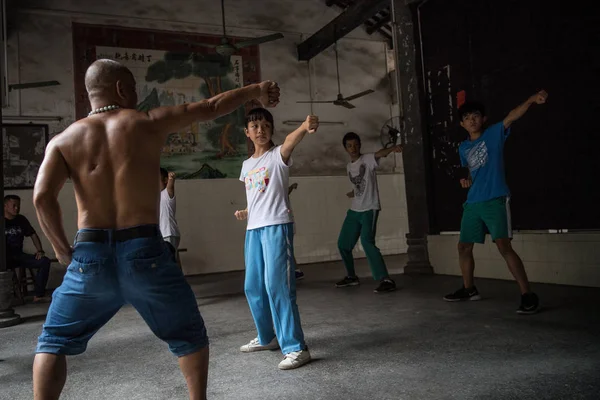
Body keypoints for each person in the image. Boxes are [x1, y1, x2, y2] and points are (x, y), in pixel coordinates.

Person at [31, 58, 280, 400]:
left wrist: (60, 249)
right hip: (143, 249)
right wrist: (255, 90)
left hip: (89, 254)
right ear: (121, 88)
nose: (136, 93)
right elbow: (210, 107)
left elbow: (42, 198)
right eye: (133, 86)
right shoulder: (146, 122)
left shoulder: (63, 141)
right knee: (188, 333)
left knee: (53, 341)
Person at [443, 90, 548, 315]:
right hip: (473, 203)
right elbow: (469, 172)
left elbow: (512, 115)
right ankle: (469, 289)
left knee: (503, 246)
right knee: (463, 246)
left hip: (495, 199)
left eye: (476, 116)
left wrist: (530, 99)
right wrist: (465, 179)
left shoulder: (493, 134)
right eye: (467, 117)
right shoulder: (463, 148)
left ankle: (527, 295)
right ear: (462, 124)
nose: (472, 120)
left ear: (484, 119)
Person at [234, 108, 318, 370]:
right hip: (253, 230)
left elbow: (290, 142)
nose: (260, 130)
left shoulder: (277, 155)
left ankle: (296, 347)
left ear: (271, 129)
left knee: (277, 286)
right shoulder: (247, 165)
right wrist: (246, 211)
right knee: (253, 287)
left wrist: (304, 128)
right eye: (254, 126)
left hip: (276, 227)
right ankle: (268, 337)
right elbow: (258, 195)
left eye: (265, 125)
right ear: (247, 132)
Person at [335, 132, 403, 293]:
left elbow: (380, 153)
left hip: (369, 209)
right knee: (343, 244)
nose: (353, 148)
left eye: (356, 145)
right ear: (346, 148)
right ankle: (351, 277)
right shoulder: (349, 166)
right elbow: (358, 185)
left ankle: (386, 279)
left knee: (367, 242)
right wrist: (353, 193)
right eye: (350, 146)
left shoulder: (368, 159)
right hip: (355, 209)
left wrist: (393, 148)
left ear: (360, 145)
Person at [4, 194, 52, 302]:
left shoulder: (21, 219)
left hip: (19, 255)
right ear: (5, 206)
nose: (17, 208)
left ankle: (38, 295)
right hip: (4, 258)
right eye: (14, 205)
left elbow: (33, 234)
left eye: (18, 206)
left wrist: (40, 250)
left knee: (44, 262)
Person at [160, 168, 180, 258]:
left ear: (165, 180)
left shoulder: (166, 193)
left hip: (168, 233)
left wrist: (171, 178)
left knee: (169, 259)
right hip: (162, 234)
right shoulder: (156, 195)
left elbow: (170, 186)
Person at [288, 182, 304, 280]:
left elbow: (285, 192)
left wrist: (291, 187)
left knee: (287, 248)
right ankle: (295, 270)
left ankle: (296, 270)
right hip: (287, 222)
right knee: (287, 248)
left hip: (287, 222)